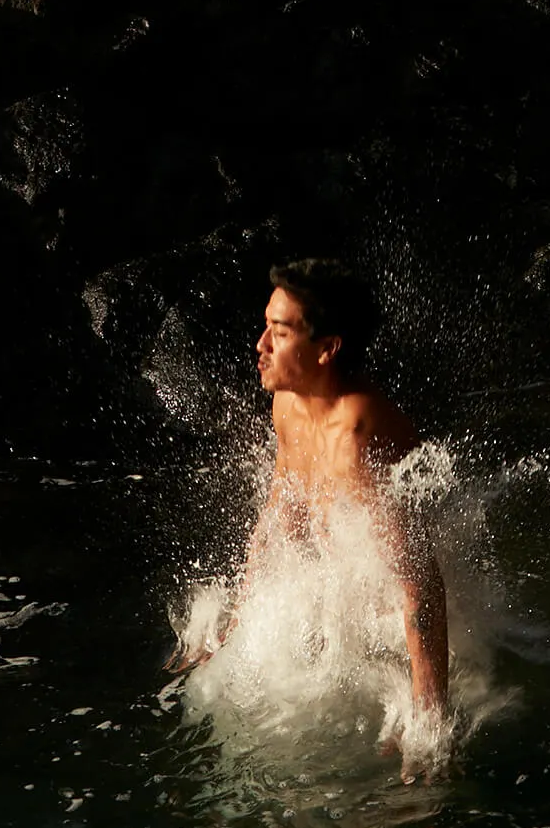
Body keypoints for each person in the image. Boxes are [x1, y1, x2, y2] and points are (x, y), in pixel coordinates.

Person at [192, 259, 450, 754]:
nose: (261, 346)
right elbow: (279, 513)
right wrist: (234, 628)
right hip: (342, 598)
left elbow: (420, 583)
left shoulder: (358, 433)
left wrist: (430, 723)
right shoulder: (287, 401)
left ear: (327, 348)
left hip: (390, 621)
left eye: (280, 333)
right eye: (266, 327)